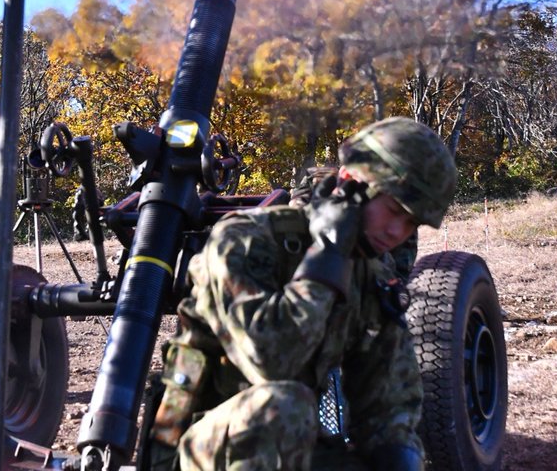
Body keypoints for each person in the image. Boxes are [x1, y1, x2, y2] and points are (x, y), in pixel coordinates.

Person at [148, 117, 457, 470]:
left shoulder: (369, 276)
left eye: (411, 223)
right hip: (191, 450)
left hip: (282, 446)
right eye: (393, 210)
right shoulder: (245, 241)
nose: (397, 232)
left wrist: (398, 458)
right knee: (284, 404)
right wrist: (328, 255)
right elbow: (271, 359)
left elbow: (390, 403)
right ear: (350, 184)